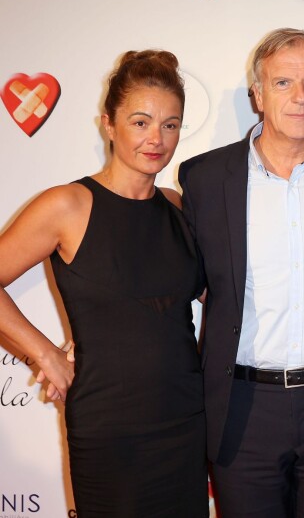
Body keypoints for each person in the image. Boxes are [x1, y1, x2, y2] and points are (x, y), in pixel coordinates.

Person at [0, 50, 208, 517]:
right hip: (109, 429)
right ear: (108, 124)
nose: (156, 139)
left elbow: (219, 296)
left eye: (170, 125)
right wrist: (46, 354)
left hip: (186, 421)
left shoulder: (177, 207)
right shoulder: (67, 205)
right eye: (140, 122)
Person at [178, 28, 304, 518]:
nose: (301, 97)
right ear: (258, 95)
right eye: (284, 83)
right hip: (244, 409)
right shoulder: (203, 179)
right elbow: (178, 277)